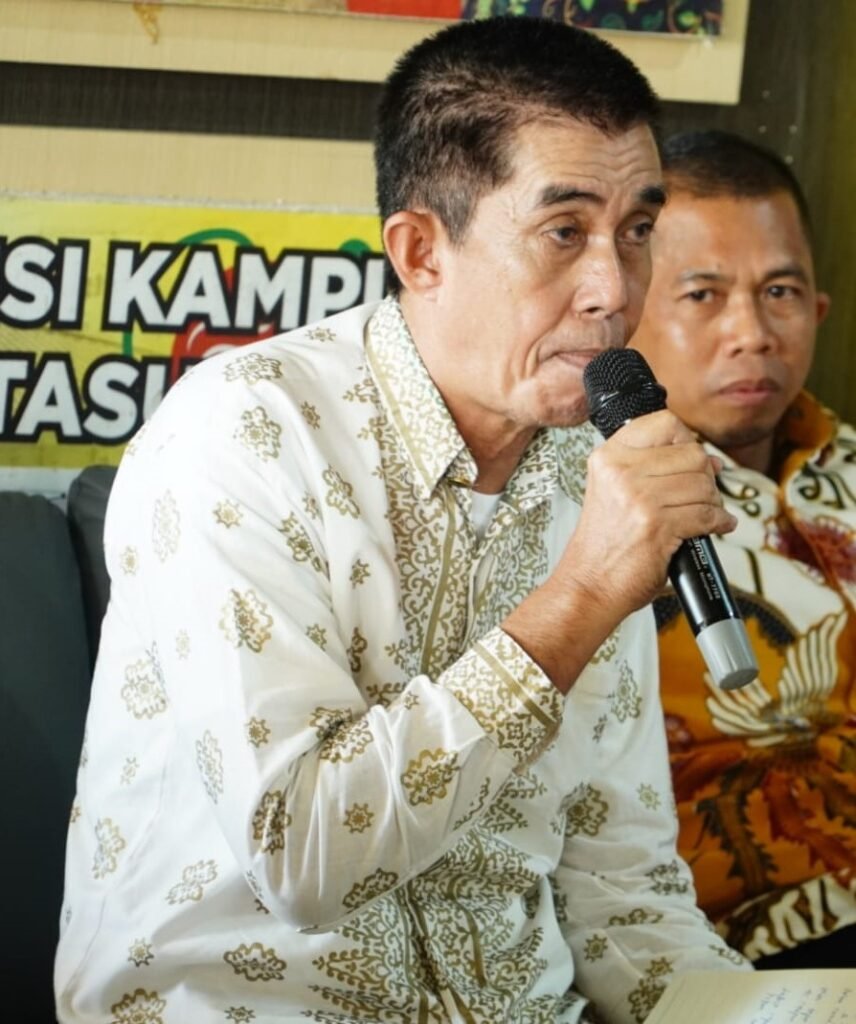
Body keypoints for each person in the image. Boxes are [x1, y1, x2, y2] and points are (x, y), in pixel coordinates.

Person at [55, 20, 748, 1024]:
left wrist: (764, 1011)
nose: (614, 290)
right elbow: (299, 857)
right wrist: (585, 594)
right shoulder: (247, 432)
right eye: (564, 232)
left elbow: (622, 893)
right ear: (421, 251)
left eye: (636, 230)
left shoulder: (593, 469)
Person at [631, 129, 856, 968]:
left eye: (780, 292)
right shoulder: (596, 510)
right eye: (703, 295)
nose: (752, 332)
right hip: (732, 944)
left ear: (818, 310)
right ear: (626, 313)